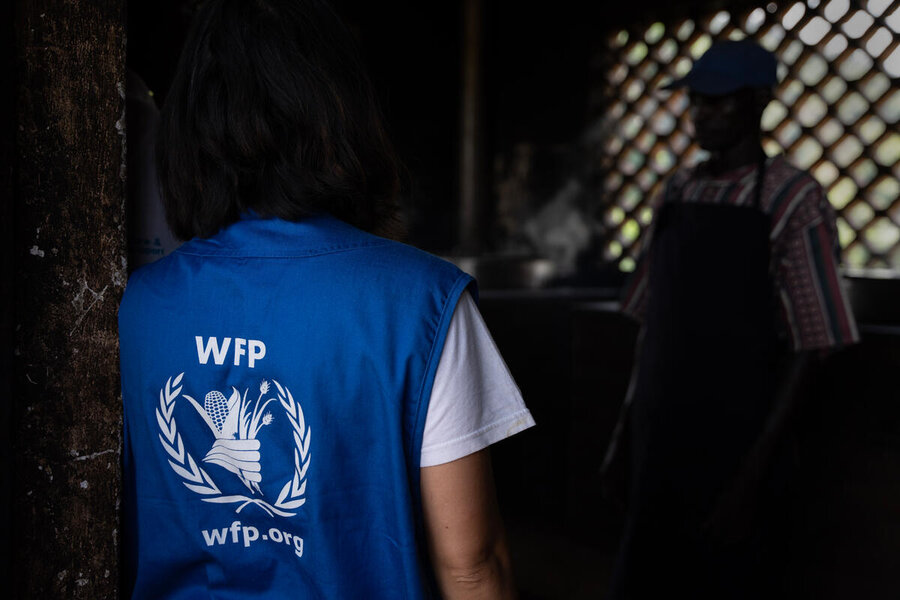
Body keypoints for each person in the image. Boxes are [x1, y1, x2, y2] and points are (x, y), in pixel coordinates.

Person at [118, 1, 534, 598]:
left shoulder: (136, 306)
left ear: (190, 125)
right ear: (342, 113)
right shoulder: (421, 302)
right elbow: (471, 565)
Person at [603, 39, 858, 598]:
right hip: (660, 442)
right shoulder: (678, 189)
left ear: (760, 101)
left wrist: (751, 477)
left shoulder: (793, 198)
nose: (703, 114)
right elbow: (652, 326)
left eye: (720, 101)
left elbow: (814, 344)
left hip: (737, 450)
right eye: (697, 100)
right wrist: (625, 434)